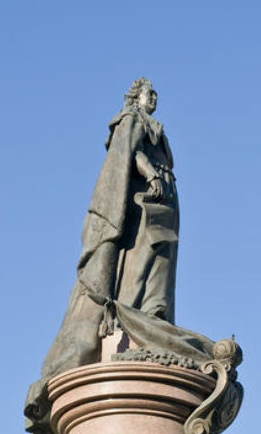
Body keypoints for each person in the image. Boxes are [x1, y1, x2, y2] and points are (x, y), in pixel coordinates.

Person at [36, 78, 179, 383]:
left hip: (164, 201)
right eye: (149, 93)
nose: (154, 98)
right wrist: (151, 175)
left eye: (156, 94)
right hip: (144, 200)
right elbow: (129, 153)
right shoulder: (131, 120)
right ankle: (132, 317)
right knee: (142, 253)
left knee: (162, 260)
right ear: (135, 98)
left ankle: (155, 315)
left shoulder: (157, 128)